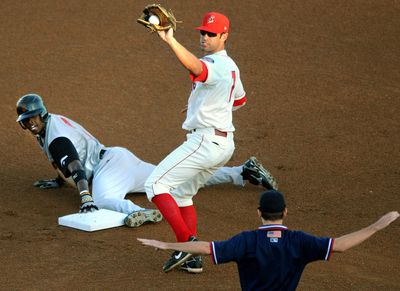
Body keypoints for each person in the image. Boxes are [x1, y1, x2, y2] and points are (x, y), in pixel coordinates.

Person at [16, 93, 277, 228]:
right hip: (120, 159)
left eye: (34, 118)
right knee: (173, 183)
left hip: (108, 171)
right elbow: (66, 159)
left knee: (102, 200)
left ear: (42, 113)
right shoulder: (52, 124)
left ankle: (137, 212)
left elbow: (72, 163)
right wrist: (57, 180)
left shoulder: (54, 136)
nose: (31, 123)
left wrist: (85, 196)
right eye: (27, 121)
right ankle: (242, 172)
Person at [143, 11, 249, 273]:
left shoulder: (216, 64)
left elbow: (196, 68)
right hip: (223, 144)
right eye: (203, 32)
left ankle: (187, 243)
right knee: (183, 194)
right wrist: (199, 106)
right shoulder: (232, 67)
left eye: (211, 34)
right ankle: (192, 259)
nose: (205, 37)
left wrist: (170, 40)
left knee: (155, 184)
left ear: (225, 36)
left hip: (206, 142)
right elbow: (238, 101)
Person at [138, 190, 399, 290]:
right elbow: (340, 245)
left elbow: (206, 248)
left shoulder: (247, 241)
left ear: (259, 213)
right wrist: (375, 226)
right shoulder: (299, 241)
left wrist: (169, 245)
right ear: (285, 212)